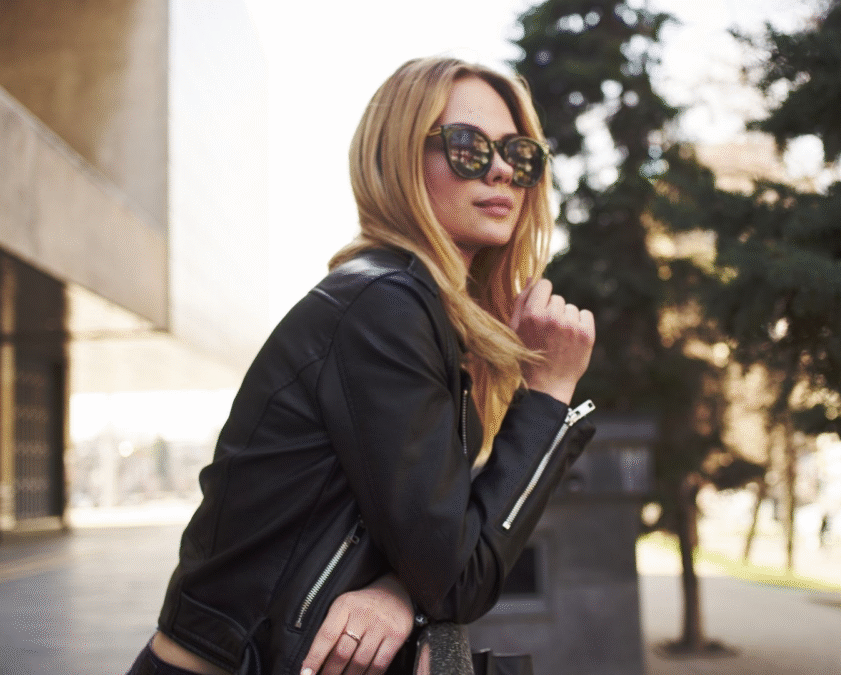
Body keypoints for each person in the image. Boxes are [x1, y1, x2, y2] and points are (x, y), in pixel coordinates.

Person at [126, 57, 596, 675]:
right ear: (399, 159)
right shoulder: (386, 306)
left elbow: (429, 535)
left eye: (519, 153)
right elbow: (459, 575)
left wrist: (401, 590)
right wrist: (549, 391)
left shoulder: (416, 309)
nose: (503, 169)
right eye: (468, 147)